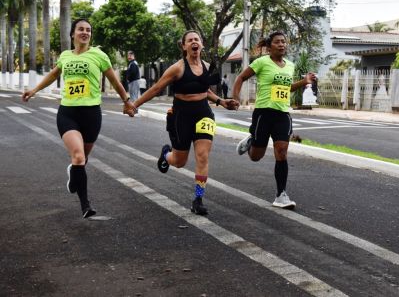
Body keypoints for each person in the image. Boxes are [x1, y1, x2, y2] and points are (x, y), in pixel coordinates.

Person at [22, 18, 135, 219]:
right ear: (73, 34)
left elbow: (115, 81)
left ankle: (74, 175)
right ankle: (85, 205)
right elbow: (53, 74)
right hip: (68, 113)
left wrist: (127, 101)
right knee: (79, 156)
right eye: (81, 29)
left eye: (88, 30)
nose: (85, 32)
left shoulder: (99, 55)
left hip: (91, 114)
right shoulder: (65, 56)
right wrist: (34, 90)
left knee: (82, 159)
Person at [125, 30, 239, 215]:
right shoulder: (177, 68)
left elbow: (205, 91)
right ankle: (165, 155)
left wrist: (221, 101)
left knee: (202, 156)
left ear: (201, 45)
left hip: (204, 114)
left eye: (197, 40)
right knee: (179, 161)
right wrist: (135, 104)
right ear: (184, 46)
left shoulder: (207, 67)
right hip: (181, 116)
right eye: (190, 40)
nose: (194, 42)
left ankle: (198, 199)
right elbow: (156, 88)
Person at [232, 31, 317, 209]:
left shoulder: (290, 66)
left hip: (283, 114)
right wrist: (235, 97)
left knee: (282, 151)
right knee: (256, 157)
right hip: (263, 113)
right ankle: (251, 140)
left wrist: (304, 81)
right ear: (270, 46)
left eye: (284, 42)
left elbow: (287, 88)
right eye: (278, 42)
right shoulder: (262, 62)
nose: (282, 45)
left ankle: (281, 195)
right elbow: (241, 78)